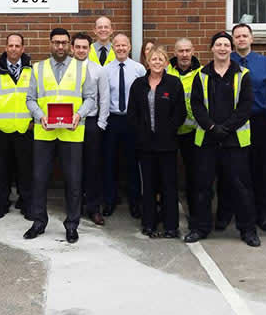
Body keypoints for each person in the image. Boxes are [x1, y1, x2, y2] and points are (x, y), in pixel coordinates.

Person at [187, 31, 260, 247]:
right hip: (207, 140)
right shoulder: (201, 75)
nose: (222, 48)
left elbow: (246, 106)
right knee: (202, 187)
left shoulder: (243, 74)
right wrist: (211, 127)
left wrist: (225, 128)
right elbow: (196, 105)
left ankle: (248, 230)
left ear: (231, 48)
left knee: (241, 187)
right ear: (212, 48)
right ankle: (200, 228)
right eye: (218, 44)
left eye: (226, 44)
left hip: (235, 141)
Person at [24, 28, 96, 243]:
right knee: (39, 179)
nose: (60, 46)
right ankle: (38, 222)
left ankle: (72, 224)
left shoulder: (81, 68)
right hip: (44, 131)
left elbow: (91, 98)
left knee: (73, 181)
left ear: (70, 46)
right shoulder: (38, 68)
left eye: (64, 43)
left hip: (72, 132)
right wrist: (39, 116)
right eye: (56, 42)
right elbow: (30, 99)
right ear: (50, 44)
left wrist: (79, 115)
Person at [127, 45, 186, 238]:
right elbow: (132, 114)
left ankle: (171, 226)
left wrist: (168, 132)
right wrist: (141, 133)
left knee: (169, 185)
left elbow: (180, 113)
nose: (157, 62)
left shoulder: (174, 83)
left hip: (167, 144)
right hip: (145, 145)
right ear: (148, 62)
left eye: (161, 59)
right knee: (149, 186)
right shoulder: (138, 85)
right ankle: (149, 224)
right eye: (154, 59)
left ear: (166, 62)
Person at [226, 23, 266, 232]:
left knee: (262, 170)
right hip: (234, 123)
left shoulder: (264, 63)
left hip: (258, 122)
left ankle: (263, 215)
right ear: (233, 41)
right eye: (237, 36)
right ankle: (239, 212)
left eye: (244, 36)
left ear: (251, 38)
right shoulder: (227, 62)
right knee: (238, 170)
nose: (241, 39)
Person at [0, 33, 33, 220]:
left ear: (22, 49)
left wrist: (33, 121)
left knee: (26, 169)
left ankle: (26, 203)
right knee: (2, 170)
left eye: (17, 46)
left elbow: (37, 98)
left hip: (25, 128)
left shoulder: (33, 70)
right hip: (1, 130)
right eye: (10, 45)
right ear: (6, 48)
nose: (14, 49)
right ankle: (2, 204)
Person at [103, 33, 146, 218]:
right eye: (117, 45)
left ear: (129, 47)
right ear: (113, 47)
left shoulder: (139, 69)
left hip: (131, 120)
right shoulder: (105, 70)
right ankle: (110, 201)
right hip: (112, 119)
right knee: (109, 162)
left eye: (124, 45)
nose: (120, 48)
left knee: (132, 162)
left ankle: (135, 202)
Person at [71, 32, 110, 225]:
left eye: (84, 47)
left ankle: (93, 208)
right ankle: (74, 207)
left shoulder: (98, 70)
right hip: (70, 124)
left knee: (93, 166)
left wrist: (101, 124)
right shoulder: (65, 69)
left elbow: (104, 98)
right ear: (72, 48)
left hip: (91, 123)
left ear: (89, 48)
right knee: (73, 167)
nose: (80, 50)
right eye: (77, 47)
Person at [166, 38, 200, 225]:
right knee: (168, 174)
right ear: (175, 52)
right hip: (170, 131)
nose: (185, 54)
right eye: (181, 51)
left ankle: (195, 212)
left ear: (193, 51)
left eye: (188, 50)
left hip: (193, 131)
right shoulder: (166, 70)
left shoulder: (202, 73)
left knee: (194, 174)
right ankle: (167, 213)